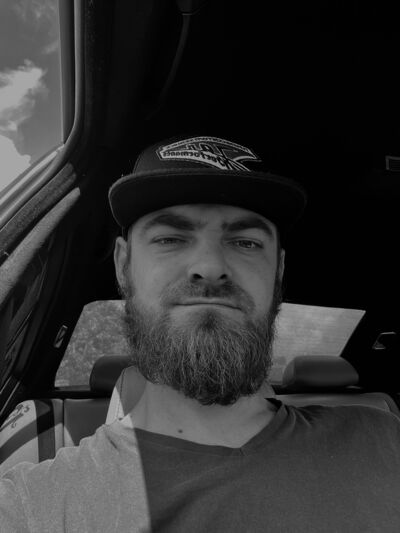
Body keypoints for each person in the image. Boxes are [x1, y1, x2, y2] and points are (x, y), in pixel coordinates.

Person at [1, 134, 400, 532]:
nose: (210, 267)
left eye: (245, 242)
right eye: (170, 239)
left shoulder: (385, 440)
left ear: (278, 270)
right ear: (123, 265)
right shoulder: (32, 506)